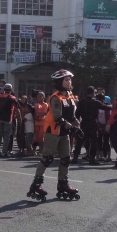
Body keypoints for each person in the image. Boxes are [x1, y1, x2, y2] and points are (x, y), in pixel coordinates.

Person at [27, 70, 81, 202]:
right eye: (66, 80)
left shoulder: (70, 96)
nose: (69, 82)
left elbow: (72, 116)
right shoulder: (55, 97)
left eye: (69, 80)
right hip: (54, 131)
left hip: (64, 132)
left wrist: (79, 127)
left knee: (65, 159)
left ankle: (63, 184)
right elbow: (58, 118)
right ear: (59, 82)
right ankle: (36, 184)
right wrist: (72, 127)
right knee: (47, 158)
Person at [0, 84, 19, 157]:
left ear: (4, 89)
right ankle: (5, 151)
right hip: (8, 118)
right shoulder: (12, 98)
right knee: (6, 135)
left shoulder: (0, 96)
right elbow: (18, 107)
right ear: (10, 90)